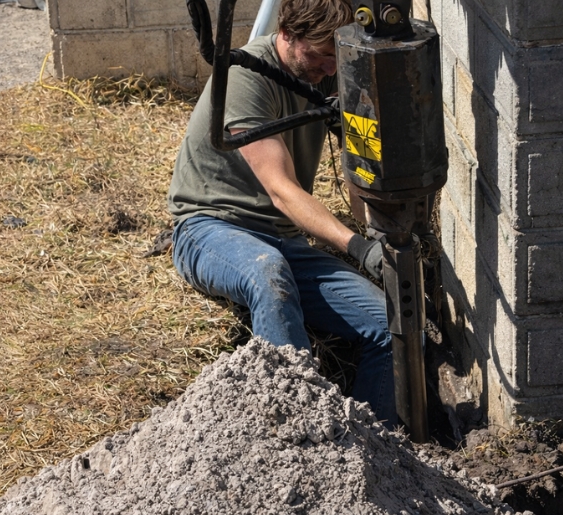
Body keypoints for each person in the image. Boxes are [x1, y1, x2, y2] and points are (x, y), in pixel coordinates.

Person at [168, 0, 395, 424]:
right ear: (287, 34)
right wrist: (358, 248)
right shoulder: (245, 76)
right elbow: (281, 190)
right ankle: (295, 428)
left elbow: (361, 173)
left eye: (337, 57)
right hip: (212, 227)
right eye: (320, 55)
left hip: (284, 240)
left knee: (391, 325)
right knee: (267, 273)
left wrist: (380, 232)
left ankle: (375, 450)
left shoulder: (330, 76)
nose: (329, 69)